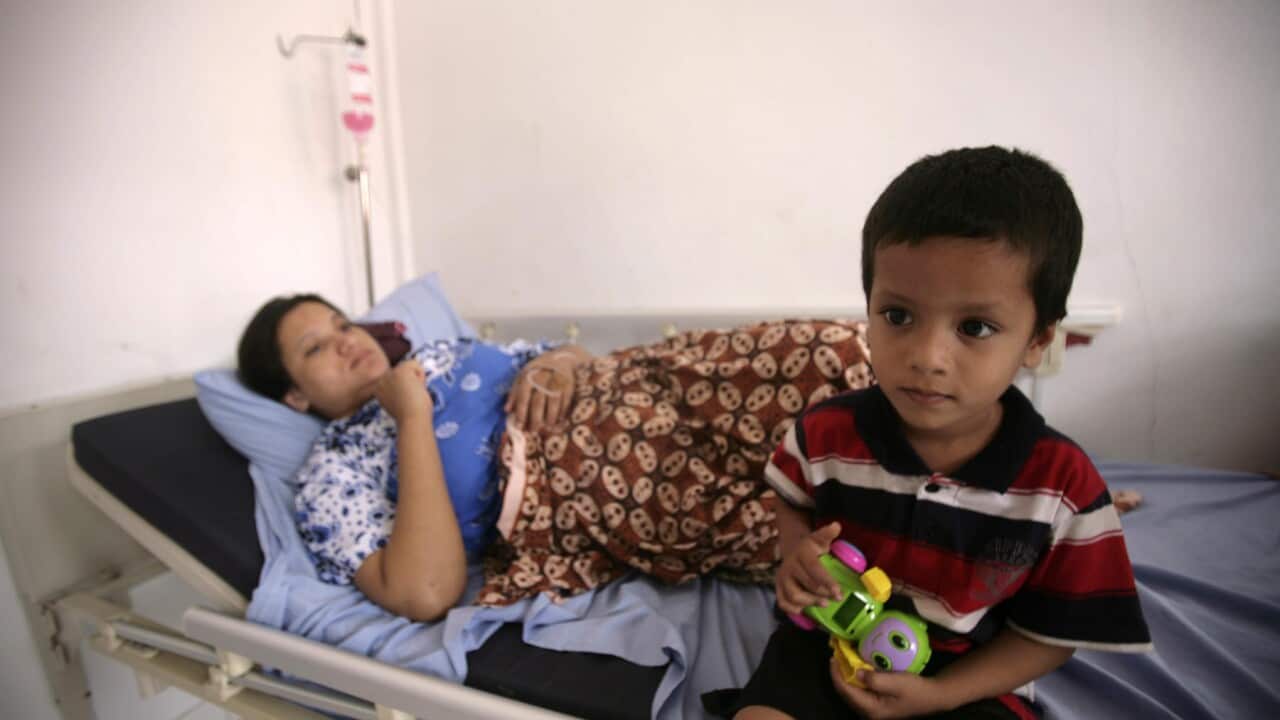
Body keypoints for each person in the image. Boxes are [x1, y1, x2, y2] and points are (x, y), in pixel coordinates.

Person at [711, 147, 1151, 720]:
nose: (927, 356)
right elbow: (792, 499)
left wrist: (942, 694)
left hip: (970, 679)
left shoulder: (1061, 489)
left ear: (1038, 340)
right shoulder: (826, 433)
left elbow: (1051, 634)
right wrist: (796, 555)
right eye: (897, 316)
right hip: (825, 651)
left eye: (974, 327)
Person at [237, 294, 592, 621]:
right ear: (295, 395)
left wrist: (556, 364)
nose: (346, 341)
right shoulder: (335, 470)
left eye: (343, 325)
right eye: (315, 348)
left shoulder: (438, 354)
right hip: (596, 481)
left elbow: (574, 354)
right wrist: (412, 417)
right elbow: (426, 593)